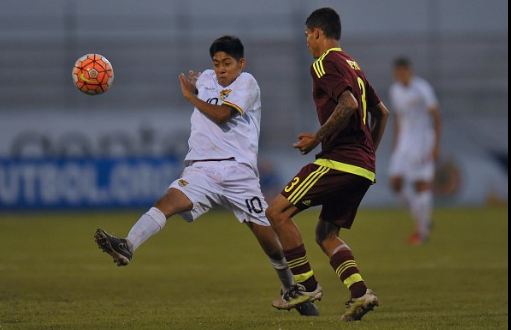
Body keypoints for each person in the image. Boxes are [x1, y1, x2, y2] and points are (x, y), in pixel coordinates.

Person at [94, 36, 318, 316]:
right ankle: (127, 245)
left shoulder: (247, 83)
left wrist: (191, 97)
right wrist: (198, 86)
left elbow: (223, 115)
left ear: (241, 64)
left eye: (227, 63)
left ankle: (291, 289)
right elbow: (206, 86)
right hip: (202, 168)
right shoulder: (207, 80)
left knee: (269, 242)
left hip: (239, 172)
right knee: (168, 202)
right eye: (216, 63)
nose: (221, 69)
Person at [266, 8, 390, 322]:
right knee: (326, 235)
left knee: (277, 212)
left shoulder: (324, 63)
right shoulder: (354, 65)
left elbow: (347, 104)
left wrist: (315, 139)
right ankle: (361, 294)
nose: (306, 41)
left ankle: (306, 286)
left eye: (307, 34)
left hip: (340, 160)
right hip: (362, 167)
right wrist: (369, 155)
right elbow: (383, 113)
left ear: (318, 33)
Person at [389, 57, 442, 245]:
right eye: (398, 72)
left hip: (422, 141)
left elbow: (436, 116)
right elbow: (398, 118)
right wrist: (396, 143)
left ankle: (422, 231)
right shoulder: (394, 90)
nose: (402, 75)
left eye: (404, 71)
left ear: (410, 71)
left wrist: (435, 145)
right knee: (395, 182)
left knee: (421, 184)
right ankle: (423, 220)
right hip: (404, 143)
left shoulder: (422, 88)